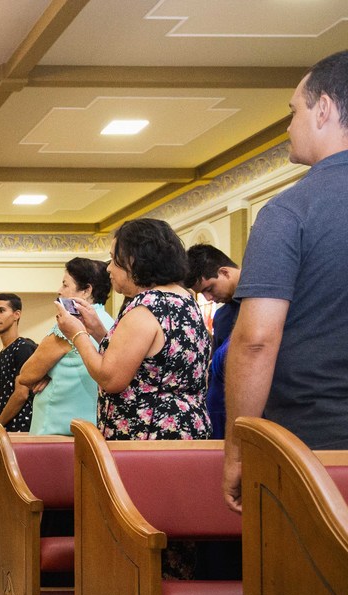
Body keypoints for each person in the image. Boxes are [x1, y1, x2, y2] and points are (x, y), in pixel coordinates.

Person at [225, 50, 348, 511]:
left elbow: (257, 339)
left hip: (313, 446)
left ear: (324, 110)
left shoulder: (290, 209)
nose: (288, 126)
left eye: (293, 111)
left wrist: (238, 448)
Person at [56, 218, 211, 441]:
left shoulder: (146, 306)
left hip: (148, 434)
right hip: (186, 429)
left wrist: (77, 334)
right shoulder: (184, 299)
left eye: (113, 259)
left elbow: (110, 379)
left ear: (133, 260)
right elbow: (147, 359)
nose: (108, 268)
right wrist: (97, 330)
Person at [18, 258, 115, 435]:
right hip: (91, 427)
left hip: (56, 426)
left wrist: (45, 373)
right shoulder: (111, 323)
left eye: (65, 285)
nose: (59, 291)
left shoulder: (71, 323)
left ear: (86, 290)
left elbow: (26, 375)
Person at [185, 245, 241, 438]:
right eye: (202, 294)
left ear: (224, 272)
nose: (209, 298)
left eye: (209, 289)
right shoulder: (223, 316)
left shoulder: (264, 305)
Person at [0, 293, 37, 432]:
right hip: (3, 427)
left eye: (1, 311)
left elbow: (21, 394)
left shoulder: (23, 347)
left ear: (16, 314)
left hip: (21, 427)